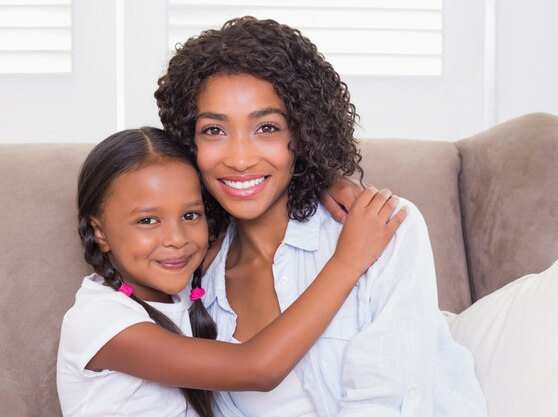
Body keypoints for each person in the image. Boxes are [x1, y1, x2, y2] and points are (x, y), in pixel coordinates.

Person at [154, 16, 488, 417]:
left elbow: (391, 404)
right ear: (187, 143)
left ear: (304, 133)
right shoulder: (191, 273)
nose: (239, 159)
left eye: (267, 128)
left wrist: (323, 179)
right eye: (213, 131)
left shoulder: (382, 227)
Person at [56, 127, 406, 417]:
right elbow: (256, 368)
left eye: (190, 215)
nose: (177, 239)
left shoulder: (186, 280)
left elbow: (247, 189)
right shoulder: (99, 320)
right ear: (99, 232)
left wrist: (322, 181)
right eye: (148, 220)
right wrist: (348, 261)